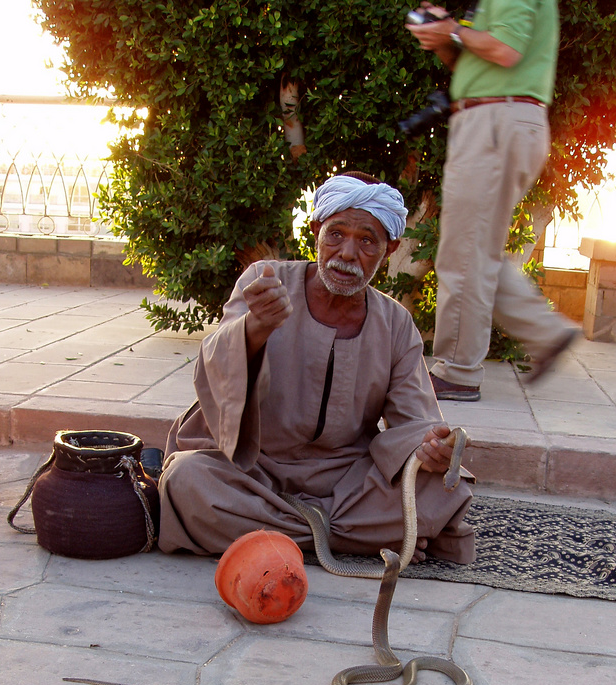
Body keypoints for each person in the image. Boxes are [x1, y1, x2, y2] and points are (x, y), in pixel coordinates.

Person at [158, 173, 476, 565]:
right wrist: (255, 328)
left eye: (366, 241)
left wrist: (431, 448)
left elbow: (415, 421)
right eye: (335, 234)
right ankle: (351, 539)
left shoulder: (395, 323)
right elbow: (215, 372)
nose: (346, 253)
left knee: (445, 488)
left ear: (389, 249)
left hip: (343, 480)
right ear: (315, 231)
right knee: (186, 482)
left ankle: (272, 535)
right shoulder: (265, 281)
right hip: (250, 469)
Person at [407, 0, 578, 402]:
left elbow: (505, 50)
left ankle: (458, 372)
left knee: (465, 253)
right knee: (474, 251)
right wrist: (445, 39)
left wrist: (451, 29)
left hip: (495, 122)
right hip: (495, 120)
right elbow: (485, 59)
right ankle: (548, 333)